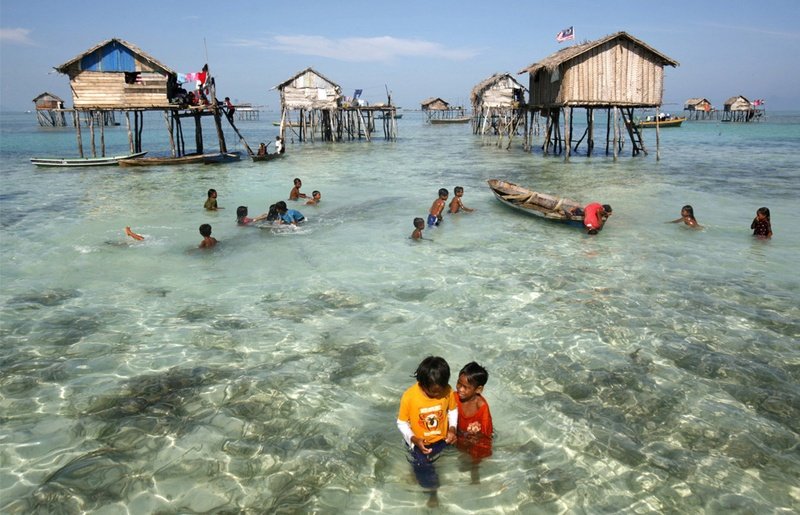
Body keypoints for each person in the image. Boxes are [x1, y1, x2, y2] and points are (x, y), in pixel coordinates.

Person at [396, 356, 458, 507]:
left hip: (442, 439)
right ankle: (432, 492)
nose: (438, 395)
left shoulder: (447, 390)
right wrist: (413, 439)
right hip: (419, 443)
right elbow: (402, 422)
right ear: (422, 384)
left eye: (441, 390)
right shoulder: (409, 396)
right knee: (423, 468)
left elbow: (453, 410)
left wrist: (452, 428)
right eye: (433, 392)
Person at [454, 362, 493, 482]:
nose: (460, 389)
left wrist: (477, 436)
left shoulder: (482, 408)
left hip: (475, 439)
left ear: (478, 389)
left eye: (465, 387)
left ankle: (474, 471)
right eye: (459, 384)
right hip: (459, 434)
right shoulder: (454, 397)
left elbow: (487, 434)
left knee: (476, 455)